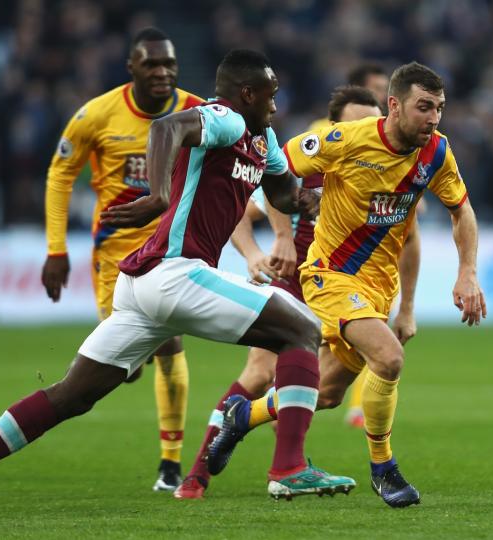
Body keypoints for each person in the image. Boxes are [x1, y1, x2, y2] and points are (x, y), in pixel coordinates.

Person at [0, 49, 355, 525]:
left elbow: (284, 193)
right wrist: (159, 194)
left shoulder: (261, 137)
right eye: (270, 95)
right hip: (175, 272)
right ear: (247, 93)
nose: (276, 104)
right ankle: (289, 467)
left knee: (71, 395)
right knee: (303, 330)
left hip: (144, 286)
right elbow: (166, 128)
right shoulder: (225, 118)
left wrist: (311, 200)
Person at [207, 62, 485, 508]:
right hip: (329, 275)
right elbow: (273, 164)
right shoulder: (344, 140)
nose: (433, 118)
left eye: (440, 108)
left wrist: (467, 271)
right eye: (424, 107)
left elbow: (462, 210)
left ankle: (244, 415)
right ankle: (384, 469)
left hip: (378, 286)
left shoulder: (435, 152)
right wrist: (281, 227)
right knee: (389, 358)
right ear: (394, 105)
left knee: (329, 394)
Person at [175, 85, 411, 500]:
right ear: (334, 126)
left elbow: (411, 237)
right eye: (352, 123)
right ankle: (196, 475)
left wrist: (406, 306)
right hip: (298, 279)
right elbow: (245, 210)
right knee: (260, 372)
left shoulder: (388, 167)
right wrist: (260, 250)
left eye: (368, 123)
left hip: (354, 289)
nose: (362, 130)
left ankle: (247, 422)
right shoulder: (310, 160)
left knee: (330, 395)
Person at [41, 27, 202, 492]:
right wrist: (56, 248)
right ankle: (132, 361)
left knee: (170, 346)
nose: (162, 72)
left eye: (169, 64)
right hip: (115, 255)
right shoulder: (97, 114)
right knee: (121, 365)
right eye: (151, 64)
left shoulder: (195, 111)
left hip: (170, 250)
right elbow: (60, 174)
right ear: (131, 67)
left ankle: (170, 464)